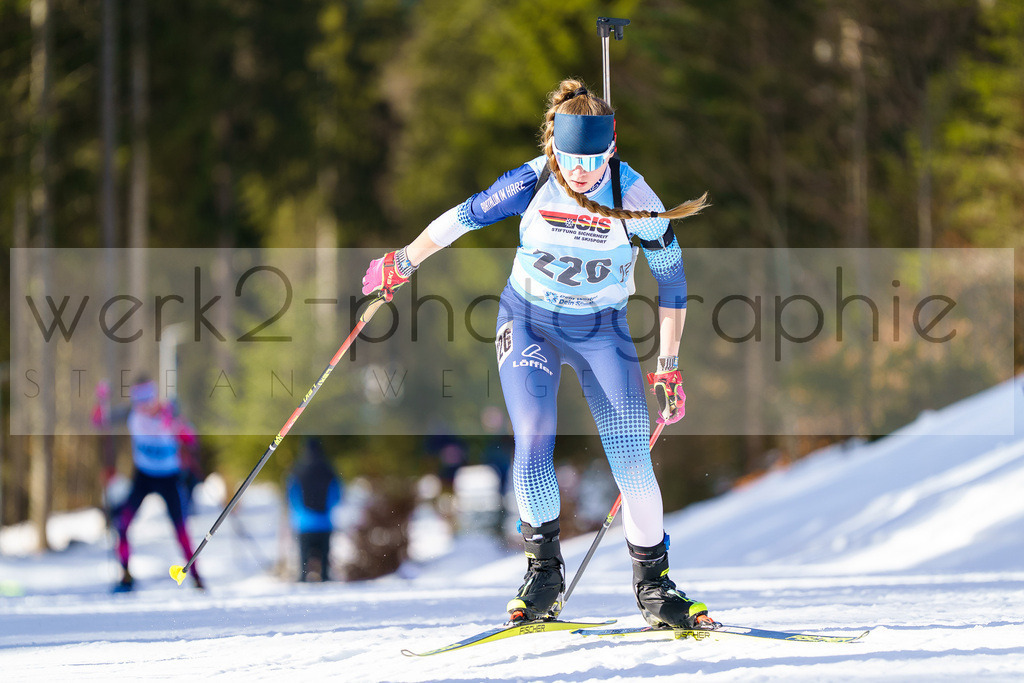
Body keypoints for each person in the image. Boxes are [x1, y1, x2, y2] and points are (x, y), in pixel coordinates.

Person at [361, 79, 715, 629]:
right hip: (529, 324)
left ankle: (654, 586)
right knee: (532, 440)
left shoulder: (635, 197)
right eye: (570, 159)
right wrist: (403, 260)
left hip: (602, 330)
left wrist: (668, 364)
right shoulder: (533, 180)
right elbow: (462, 217)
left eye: (592, 161)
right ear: (555, 148)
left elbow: (672, 282)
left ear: (611, 148)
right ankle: (543, 574)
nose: (581, 172)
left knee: (632, 461)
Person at [92, 375, 204, 591]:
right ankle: (126, 577)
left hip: (169, 478)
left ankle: (197, 577)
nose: (143, 405)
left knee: (181, 530)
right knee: (122, 523)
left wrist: (181, 431)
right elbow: (99, 421)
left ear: (155, 397)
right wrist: (101, 400)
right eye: (139, 400)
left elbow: (192, 439)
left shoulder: (170, 414)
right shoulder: (131, 413)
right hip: (143, 476)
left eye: (147, 399)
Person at [286, 438, 342, 582]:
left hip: (304, 523)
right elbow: (336, 494)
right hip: (324, 522)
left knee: (303, 564)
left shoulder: (297, 470)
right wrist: (326, 508)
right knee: (325, 564)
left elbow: (292, 495)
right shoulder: (328, 469)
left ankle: (302, 581)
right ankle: (325, 579)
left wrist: (300, 512)